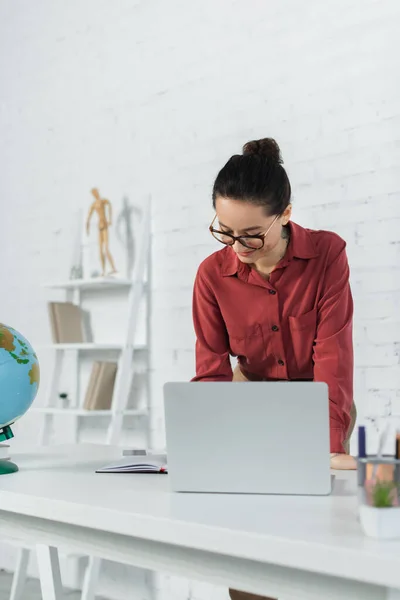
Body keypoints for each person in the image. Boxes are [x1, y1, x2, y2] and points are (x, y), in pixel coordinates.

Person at [191, 138, 357, 600]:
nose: (236, 246)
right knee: (249, 548)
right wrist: (204, 447)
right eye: (224, 231)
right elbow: (211, 371)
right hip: (250, 410)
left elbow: (334, 357)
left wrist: (327, 446)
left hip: (320, 404)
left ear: (285, 214)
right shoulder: (210, 276)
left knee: (318, 541)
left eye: (251, 235)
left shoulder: (326, 256)